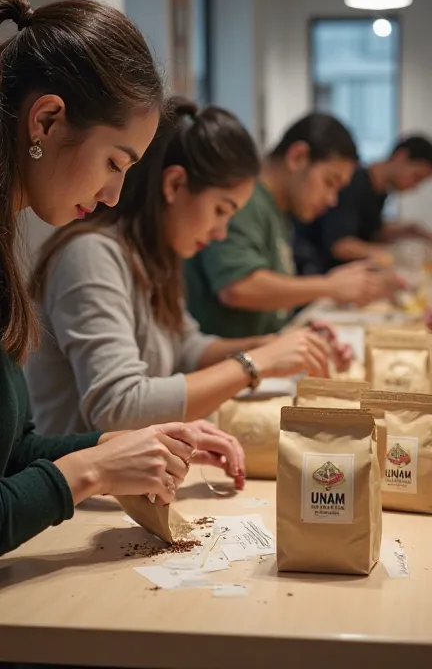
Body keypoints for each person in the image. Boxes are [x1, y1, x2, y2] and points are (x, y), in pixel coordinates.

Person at [0, 0, 231, 557]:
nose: (112, 195)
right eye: (113, 163)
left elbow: (15, 451)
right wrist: (93, 469)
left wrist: (120, 444)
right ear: (47, 120)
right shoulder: (87, 252)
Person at [27, 98, 336, 449]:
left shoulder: (152, 255)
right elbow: (118, 406)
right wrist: (255, 363)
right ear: (174, 184)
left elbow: (184, 345)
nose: (221, 232)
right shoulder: (90, 255)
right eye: (221, 210)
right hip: (78, 493)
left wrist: (267, 347)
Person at [185, 113, 401, 339]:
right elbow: (237, 287)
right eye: (330, 182)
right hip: (223, 359)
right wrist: (330, 286)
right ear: (298, 157)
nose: (332, 199)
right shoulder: (246, 200)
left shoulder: (278, 208)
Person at [294, 135, 432, 274]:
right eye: (416, 177)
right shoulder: (354, 182)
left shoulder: (380, 192)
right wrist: (395, 254)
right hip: (319, 272)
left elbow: (367, 231)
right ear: (400, 156)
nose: (415, 186)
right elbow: (339, 245)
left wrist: (408, 231)